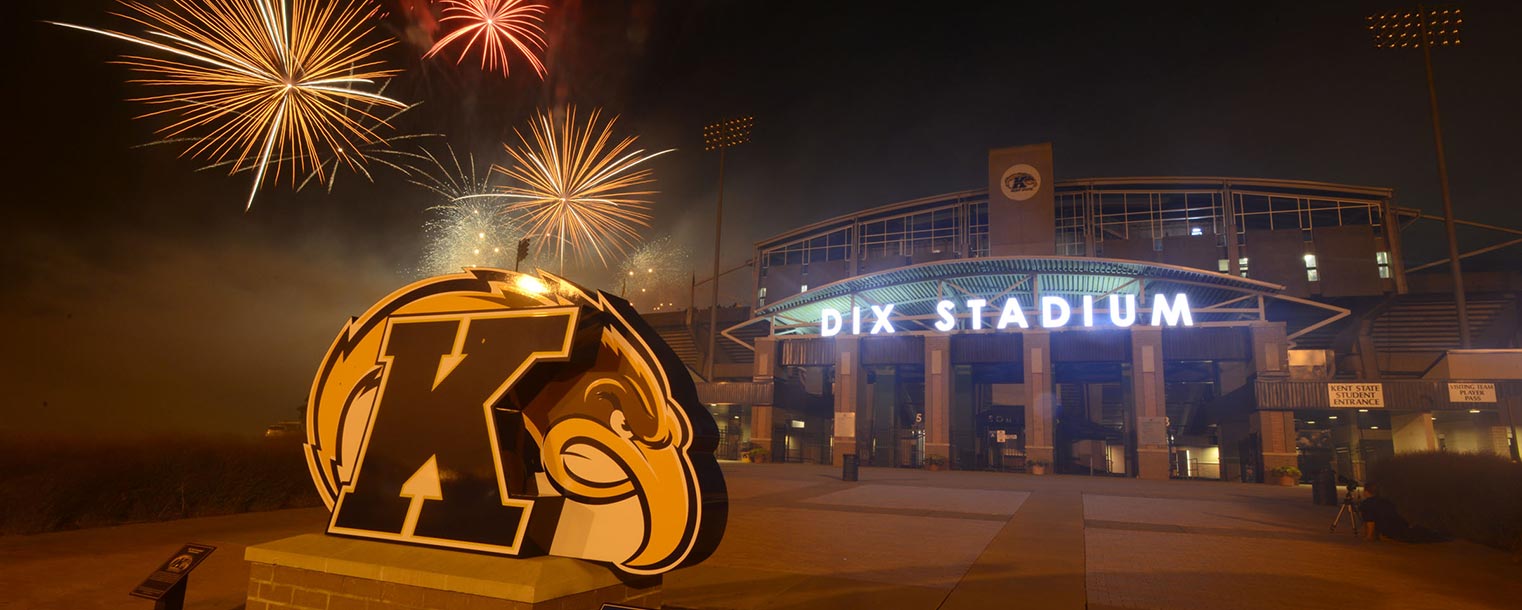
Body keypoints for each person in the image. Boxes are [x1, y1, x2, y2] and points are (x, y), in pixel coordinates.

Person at [1359, 484, 1447, 543]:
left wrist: (1369, 537)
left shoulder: (1366, 504)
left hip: (1391, 531)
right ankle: (1440, 534)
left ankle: (1441, 536)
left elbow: (1370, 521)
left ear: (1366, 492)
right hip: (1401, 524)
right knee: (1420, 533)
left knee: (1417, 538)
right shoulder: (1385, 500)